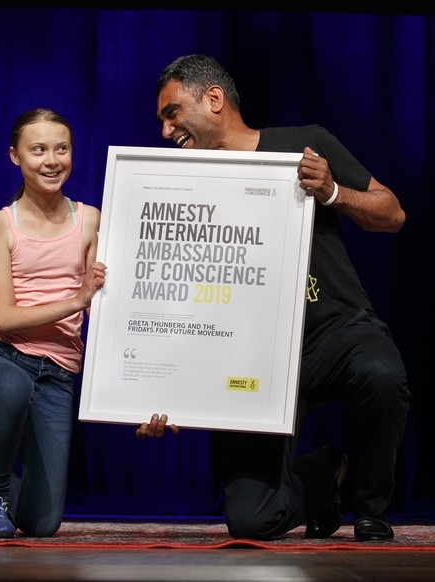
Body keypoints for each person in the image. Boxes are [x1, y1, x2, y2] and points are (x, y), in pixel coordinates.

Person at [137, 54, 410, 542]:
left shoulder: (303, 146)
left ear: (214, 99)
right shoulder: (184, 184)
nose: (165, 130)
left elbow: (391, 213)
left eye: (172, 113)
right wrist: (161, 387)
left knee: (383, 375)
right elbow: (176, 293)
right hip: (250, 361)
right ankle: (323, 477)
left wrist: (331, 193)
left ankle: (370, 509)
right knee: (251, 522)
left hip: (333, 331)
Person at [0, 108, 106, 539]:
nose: (52, 159)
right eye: (38, 150)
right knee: (13, 386)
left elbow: (105, 306)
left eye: (61, 148)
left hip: (57, 374)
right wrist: (76, 299)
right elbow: (5, 318)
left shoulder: (90, 220)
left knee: (42, 524)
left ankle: (2, 476)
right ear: (15, 156)